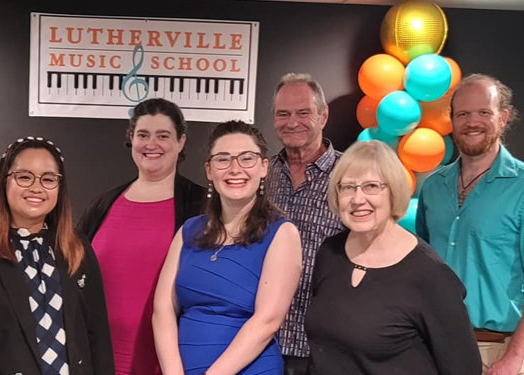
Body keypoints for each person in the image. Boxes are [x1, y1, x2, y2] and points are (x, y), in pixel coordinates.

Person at [417, 74, 524, 375]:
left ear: (503, 117)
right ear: (452, 121)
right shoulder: (433, 187)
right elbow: (421, 267)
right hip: (430, 351)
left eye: (484, 112)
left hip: (495, 355)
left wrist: (514, 357)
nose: (473, 122)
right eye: (463, 114)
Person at [304, 141, 480, 374]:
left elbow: (464, 368)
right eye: (347, 187)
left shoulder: (430, 275)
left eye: (371, 186)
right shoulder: (330, 252)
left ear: (394, 191)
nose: (357, 199)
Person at [0, 136, 114, 375]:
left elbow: (97, 332)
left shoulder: (76, 245)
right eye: (24, 177)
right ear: (4, 181)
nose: (36, 187)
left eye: (48, 179)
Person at [153, 120, 302, 374]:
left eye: (247, 158)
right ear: (209, 170)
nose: (235, 169)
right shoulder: (189, 230)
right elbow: (162, 310)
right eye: (223, 159)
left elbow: (267, 321)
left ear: (264, 167)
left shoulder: (282, 233)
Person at [77, 98, 205, 375]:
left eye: (163, 135)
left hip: (166, 360)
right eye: (143, 135)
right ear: (131, 139)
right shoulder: (104, 204)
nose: (151, 144)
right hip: (100, 357)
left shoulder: (201, 206)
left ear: (181, 141)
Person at [264, 73, 344, 375]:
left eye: (303, 112)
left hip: (324, 344)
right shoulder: (261, 176)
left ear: (323, 116)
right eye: (283, 114)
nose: (292, 121)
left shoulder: (349, 175)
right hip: (263, 341)